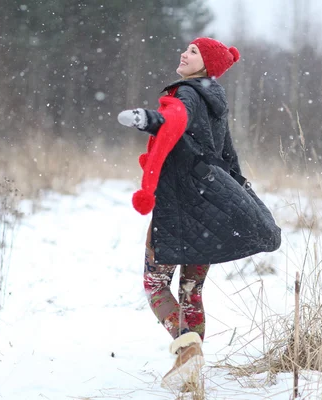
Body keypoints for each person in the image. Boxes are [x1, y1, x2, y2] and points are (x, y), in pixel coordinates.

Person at [117, 37, 281, 391]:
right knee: (192, 290)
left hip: (179, 204)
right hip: (209, 206)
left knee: (154, 282)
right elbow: (228, 156)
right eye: (186, 48)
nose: (184, 53)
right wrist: (236, 196)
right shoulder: (215, 99)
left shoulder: (188, 94)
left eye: (193, 51)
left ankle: (187, 348)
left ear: (206, 64)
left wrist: (149, 119)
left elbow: (174, 120)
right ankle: (191, 371)